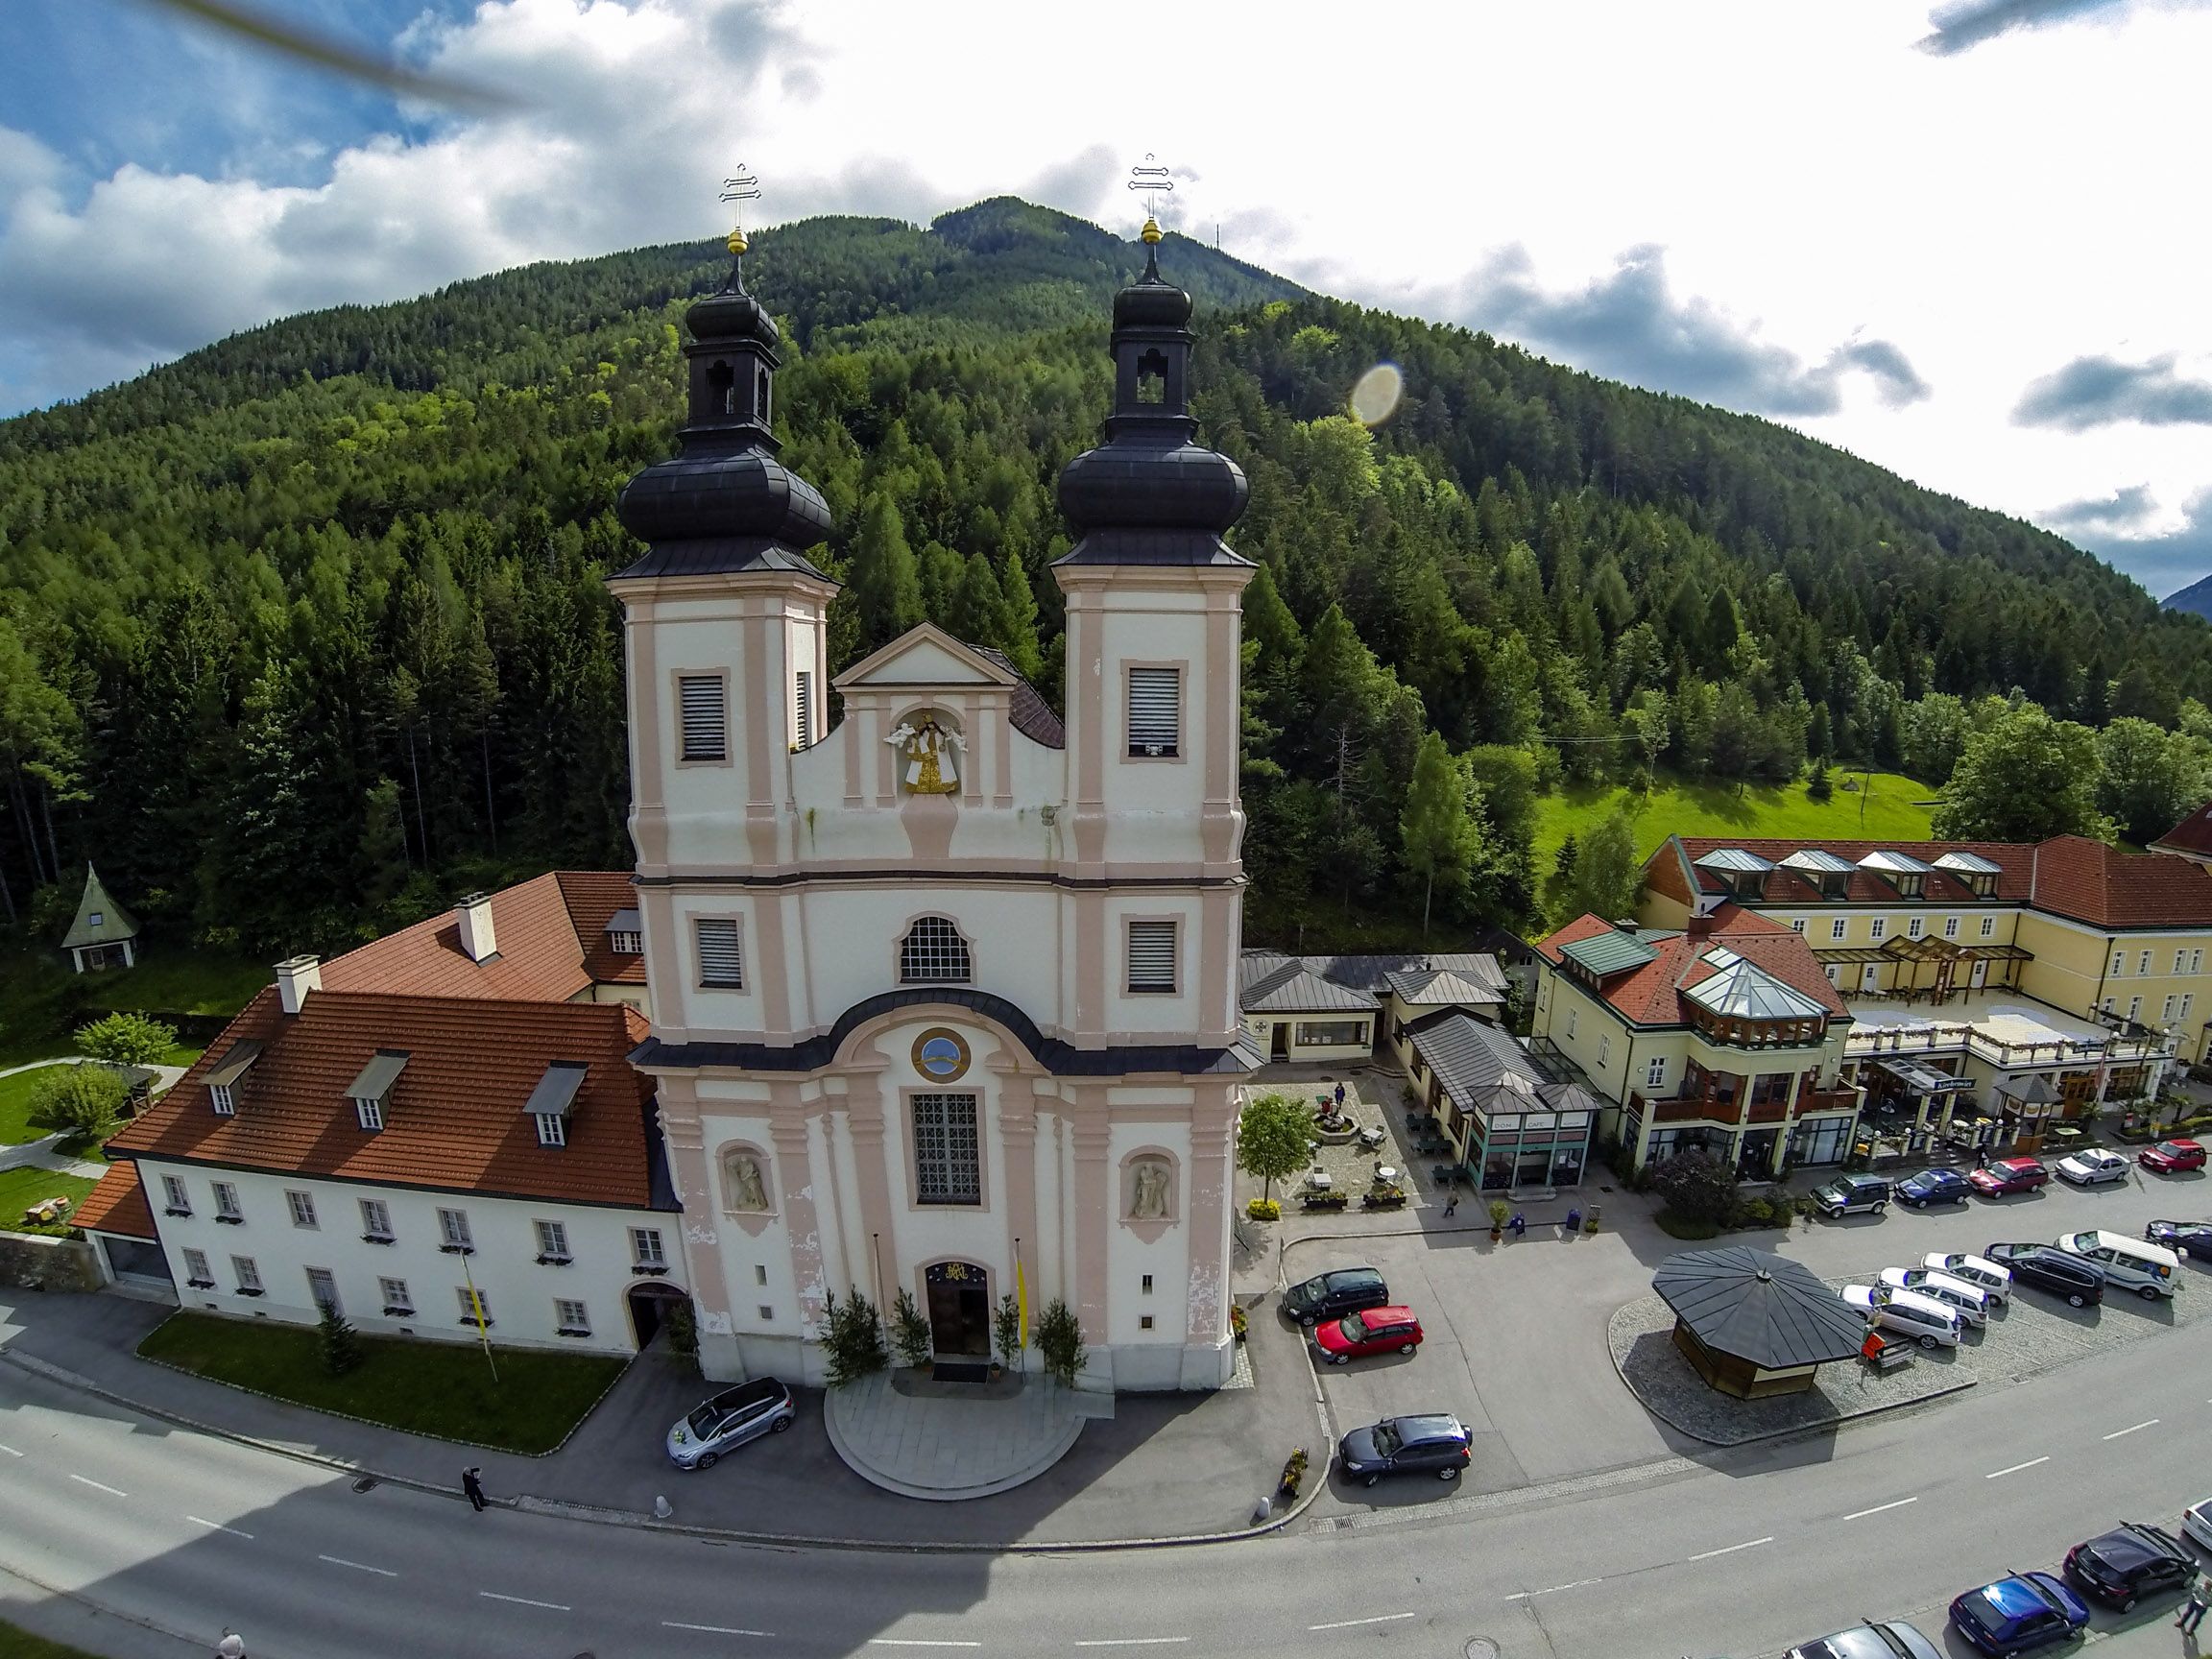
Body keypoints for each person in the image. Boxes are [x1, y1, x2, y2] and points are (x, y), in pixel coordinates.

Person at [2178, 1565, 2210, 1633]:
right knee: (2187, 1613)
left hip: (2202, 1607)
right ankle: (2181, 1623)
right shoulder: (2200, 1587)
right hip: (2194, 1602)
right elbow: (2193, 1591)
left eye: (2208, 1586)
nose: (2206, 1586)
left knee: (2197, 1619)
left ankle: (2190, 1630)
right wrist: (2195, 1597)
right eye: (2206, 1585)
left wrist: (2207, 1605)